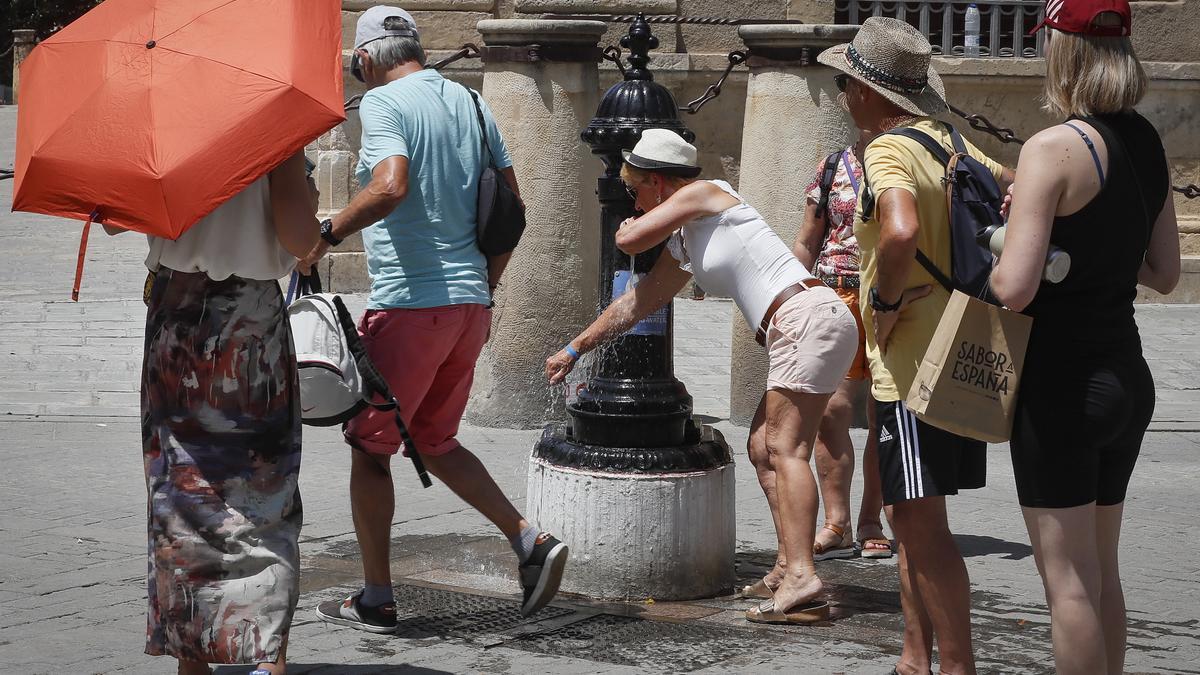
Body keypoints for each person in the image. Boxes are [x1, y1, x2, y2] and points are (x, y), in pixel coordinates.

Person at [300, 6, 567, 633]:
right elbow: (512, 206)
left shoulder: (386, 104)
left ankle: (376, 597)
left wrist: (327, 232)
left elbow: (391, 185)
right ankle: (528, 538)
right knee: (432, 438)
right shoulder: (472, 105)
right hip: (469, 305)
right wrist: (486, 289)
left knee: (370, 447)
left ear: (365, 59)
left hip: (411, 305)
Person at [545, 128, 859, 625]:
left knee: (785, 448)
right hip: (800, 325)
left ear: (655, 181)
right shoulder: (690, 238)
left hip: (806, 319)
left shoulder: (708, 192)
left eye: (634, 188)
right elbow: (637, 302)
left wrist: (631, 223)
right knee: (762, 447)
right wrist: (575, 348)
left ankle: (803, 576)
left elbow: (627, 237)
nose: (633, 197)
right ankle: (786, 570)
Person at [818, 17, 1014, 674]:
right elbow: (1012, 188)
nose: (845, 96)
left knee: (925, 530)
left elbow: (898, 231)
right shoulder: (951, 140)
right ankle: (912, 657)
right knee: (909, 519)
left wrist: (887, 302)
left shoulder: (888, 150)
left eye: (848, 83)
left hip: (911, 368)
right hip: (961, 346)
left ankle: (955, 666)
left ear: (873, 93)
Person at [990, 1, 1179, 672]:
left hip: (1059, 386)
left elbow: (1012, 288)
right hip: (1126, 375)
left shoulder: (1052, 148)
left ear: (1064, 52)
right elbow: (1165, 272)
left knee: (1066, 580)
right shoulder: (1147, 143)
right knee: (1103, 572)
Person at [106, 148, 318, 675]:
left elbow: (112, 217)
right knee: (262, 494)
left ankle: (194, 663)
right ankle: (264, 659)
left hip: (177, 321)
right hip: (250, 325)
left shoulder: (165, 128)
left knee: (182, 493)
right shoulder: (277, 133)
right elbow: (300, 239)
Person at [790, 140, 891, 565]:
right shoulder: (832, 166)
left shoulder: (910, 162)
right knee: (830, 411)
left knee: (884, 414)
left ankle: (871, 521)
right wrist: (788, 299)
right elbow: (808, 241)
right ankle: (837, 523)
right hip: (837, 296)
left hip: (894, 295)